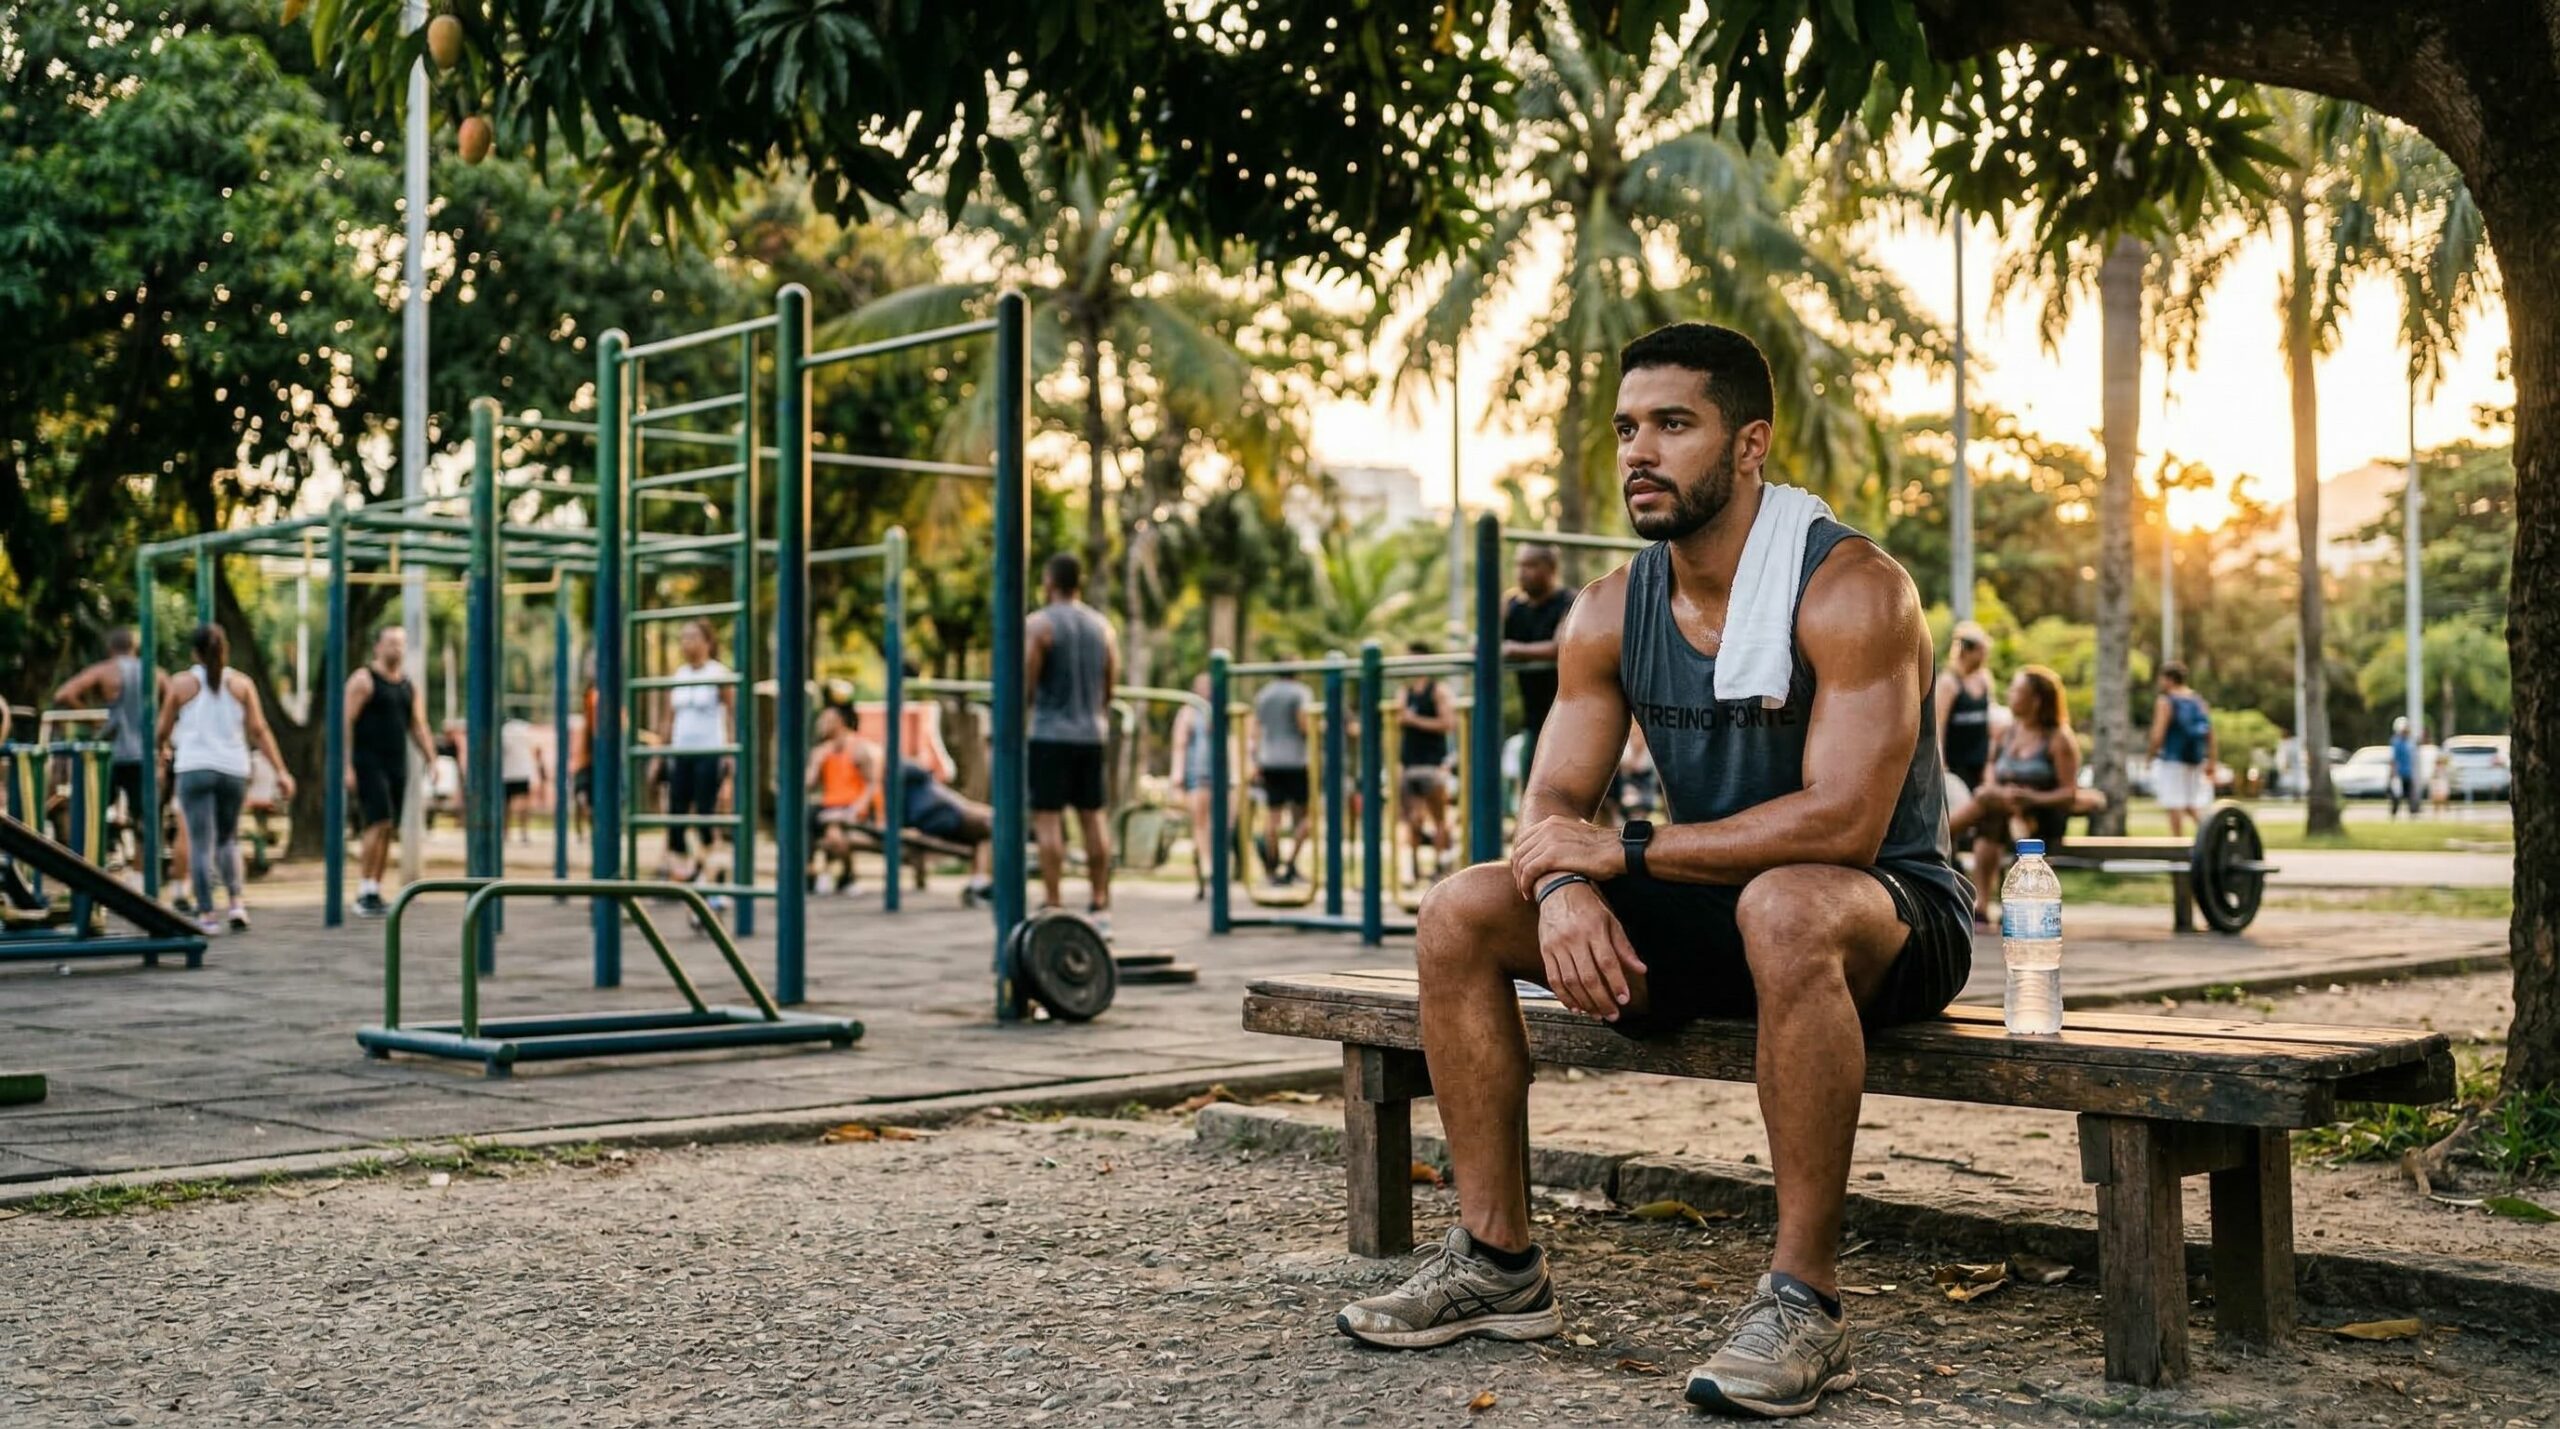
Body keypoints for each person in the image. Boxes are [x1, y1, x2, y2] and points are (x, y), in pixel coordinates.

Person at [1335, 323, 1972, 1419]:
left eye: (1674, 425)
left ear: (1749, 445)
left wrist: (1620, 852)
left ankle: (1804, 1304)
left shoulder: (1854, 589)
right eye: (1628, 427)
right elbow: (1550, 806)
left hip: (1885, 915)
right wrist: (1565, 884)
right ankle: (1497, 1262)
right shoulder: (1607, 609)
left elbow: (1847, 825)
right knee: (1461, 909)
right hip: (1716, 901)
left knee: (1783, 905)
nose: (1641, 451)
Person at [155, 624, 296, 934]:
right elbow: (259, 731)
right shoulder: (242, 684)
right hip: (233, 768)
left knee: (200, 843)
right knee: (229, 839)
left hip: (194, 768)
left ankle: (206, 913)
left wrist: (162, 750)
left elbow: (162, 730)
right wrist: (281, 771)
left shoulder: (181, 684)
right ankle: (236, 902)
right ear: (225, 650)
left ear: (194, 653)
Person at [1024, 553, 1118, 934]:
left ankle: (1053, 902)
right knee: (1093, 818)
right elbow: (1110, 684)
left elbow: (1027, 684)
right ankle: (1100, 904)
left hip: (1049, 733)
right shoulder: (1103, 627)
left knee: (1048, 820)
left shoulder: (1040, 625)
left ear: (1049, 581)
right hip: (1091, 734)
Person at [1949, 667, 2081, 927]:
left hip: (2042, 814)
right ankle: (1983, 906)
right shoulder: (2006, 732)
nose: (2010, 695)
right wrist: (2001, 793)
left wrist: (2030, 798)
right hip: (2001, 808)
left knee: (1989, 806)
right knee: (1993, 813)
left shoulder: (2058, 739)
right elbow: (1991, 774)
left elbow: (2069, 793)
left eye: (2017, 691)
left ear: (2037, 700)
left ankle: (1941, 834)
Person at [52, 628, 167, 873]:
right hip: (143, 755)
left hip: (111, 754)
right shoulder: (154, 674)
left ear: (110, 648)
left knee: (91, 810)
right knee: (145, 819)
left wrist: (93, 719)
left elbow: (64, 694)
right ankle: (141, 875)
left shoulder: (104, 671)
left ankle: (90, 866)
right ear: (134, 647)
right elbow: (174, 700)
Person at [344, 624, 436, 919]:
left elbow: (418, 725)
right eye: (391, 643)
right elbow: (345, 723)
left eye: (401, 644)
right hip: (368, 762)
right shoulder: (364, 680)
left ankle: (374, 887)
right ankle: (362, 890)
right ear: (377, 647)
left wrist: (432, 759)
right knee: (377, 821)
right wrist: (346, 765)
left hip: (397, 763)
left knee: (388, 827)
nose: (396, 649)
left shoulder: (408, 685)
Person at [658, 619, 734, 889]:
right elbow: (669, 718)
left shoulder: (718, 673)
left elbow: (731, 715)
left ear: (707, 642)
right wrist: (659, 753)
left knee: (705, 811)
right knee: (676, 812)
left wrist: (730, 752)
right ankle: (682, 871)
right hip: (681, 752)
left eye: (692, 637)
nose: (686, 643)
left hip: (710, 751)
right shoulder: (679, 675)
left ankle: (713, 867)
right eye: (683, 638)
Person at [1501, 543, 1576, 772]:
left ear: (1551, 568)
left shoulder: (1569, 601)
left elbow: (1560, 646)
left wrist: (1515, 650)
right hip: (1533, 716)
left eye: (1531, 565)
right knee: (1531, 776)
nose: (1522, 572)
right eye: (1519, 565)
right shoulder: (1512, 605)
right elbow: (1485, 641)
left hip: (1570, 710)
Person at [1248, 669, 1315, 885]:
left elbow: (1255, 729)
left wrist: (1256, 758)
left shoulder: (1264, 694)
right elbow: (1303, 723)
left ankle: (1271, 868)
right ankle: (1290, 863)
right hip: (1296, 761)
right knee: (1307, 816)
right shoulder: (1301, 692)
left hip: (1269, 761)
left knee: (1272, 818)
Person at [1396, 644, 1456, 883]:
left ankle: (1440, 866)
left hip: (1432, 764)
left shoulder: (1437, 690)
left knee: (1438, 818)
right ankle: (1413, 867)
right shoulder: (1404, 692)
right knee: (1412, 819)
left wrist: (1415, 720)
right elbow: (1399, 719)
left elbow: (1448, 723)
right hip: (1409, 764)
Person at [2146, 660, 2218, 837]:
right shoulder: (2198, 701)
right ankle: (2211, 837)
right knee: (2191, 804)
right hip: (2194, 757)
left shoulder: (2166, 701)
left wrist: (2151, 755)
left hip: (2173, 757)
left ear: (2168, 679)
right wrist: (2212, 760)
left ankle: (2177, 845)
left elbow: (2158, 733)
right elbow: (2210, 733)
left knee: (2174, 804)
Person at [1169, 674, 1216, 899]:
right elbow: (1179, 745)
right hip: (1198, 774)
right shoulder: (1189, 712)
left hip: (1221, 776)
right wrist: (1176, 776)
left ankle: (1212, 869)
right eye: (1202, 686)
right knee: (1200, 825)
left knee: (1220, 827)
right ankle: (1205, 870)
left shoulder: (1221, 710)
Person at [1934, 622, 1993, 797]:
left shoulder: (1984, 679)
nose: (1984, 656)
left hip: (1980, 760)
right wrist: (1941, 762)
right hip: (1957, 761)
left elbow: (1988, 719)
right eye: (1981, 651)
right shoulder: (1949, 683)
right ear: (1966, 651)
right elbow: (1939, 724)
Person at [499, 714, 544, 844]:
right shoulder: (525, 730)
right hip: (523, 770)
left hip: (507, 772)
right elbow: (537, 749)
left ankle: (505, 832)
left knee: (505, 805)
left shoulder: (503, 731)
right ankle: (524, 832)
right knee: (524, 803)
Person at [2388, 716, 2421, 819]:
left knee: (2410, 794)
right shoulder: (2396, 742)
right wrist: (2393, 773)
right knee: (2396, 795)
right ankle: (2394, 814)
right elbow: (2394, 759)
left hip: (2408, 772)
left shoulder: (2410, 742)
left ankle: (2413, 813)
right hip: (2399, 773)